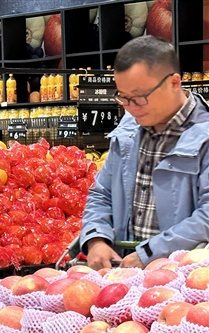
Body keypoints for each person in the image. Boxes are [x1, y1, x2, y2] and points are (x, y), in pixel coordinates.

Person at [81, 35, 209, 270]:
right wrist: (96, 238)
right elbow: (102, 193)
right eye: (123, 97)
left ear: (174, 83)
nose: (130, 108)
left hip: (186, 277)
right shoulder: (127, 131)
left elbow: (207, 216)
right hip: (125, 274)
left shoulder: (205, 135)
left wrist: (150, 252)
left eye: (139, 97)